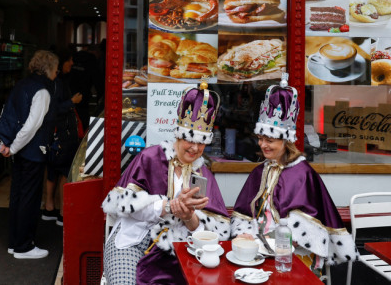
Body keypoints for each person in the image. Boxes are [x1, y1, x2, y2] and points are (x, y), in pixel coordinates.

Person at [102, 82, 231, 284]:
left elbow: (216, 232)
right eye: (190, 140)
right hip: (131, 242)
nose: (195, 148)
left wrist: (189, 218)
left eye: (202, 142)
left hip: (173, 254)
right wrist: (169, 206)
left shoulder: (203, 174)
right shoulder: (150, 157)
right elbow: (121, 205)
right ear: (178, 134)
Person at [231, 74, 359, 276]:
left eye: (270, 140)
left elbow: (307, 228)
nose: (263, 145)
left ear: (285, 142)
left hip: (293, 254)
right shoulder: (260, 171)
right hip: (259, 249)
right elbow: (245, 214)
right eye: (261, 138)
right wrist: (246, 233)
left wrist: (276, 238)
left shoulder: (302, 173)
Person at [0, 50, 59, 259]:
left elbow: (8, 115)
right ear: (49, 68)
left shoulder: (21, 84)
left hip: (19, 153)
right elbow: (32, 126)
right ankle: (24, 246)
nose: (57, 73)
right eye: (56, 68)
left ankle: (14, 243)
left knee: (17, 196)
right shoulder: (42, 91)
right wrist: (14, 147)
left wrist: (7, 146)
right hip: (32, 151)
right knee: (30, 199)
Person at [42, 49, 83, 226]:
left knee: (52, 171)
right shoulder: (58, 84)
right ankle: (62, 213)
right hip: (64, 133)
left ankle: (49, 208)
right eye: (69, 61)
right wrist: (72, 103)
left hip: (53, 134)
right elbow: (54, 108)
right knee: (66, 171)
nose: (71, 64)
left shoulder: (52, 83)